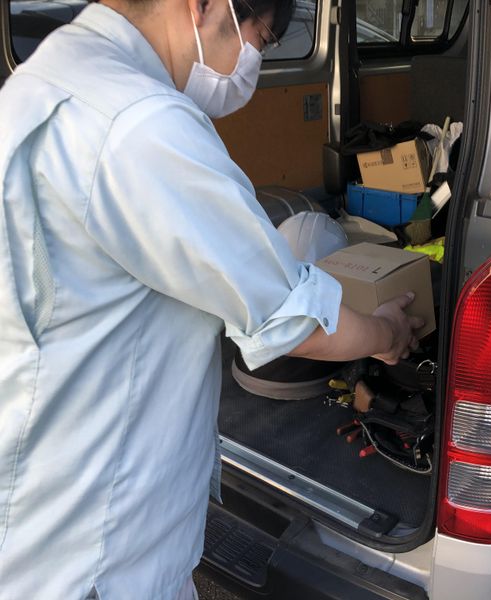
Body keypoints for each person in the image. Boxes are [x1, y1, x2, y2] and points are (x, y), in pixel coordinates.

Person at [0, 0, 423, 598]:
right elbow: (293, 318)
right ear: (204, 6)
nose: (253, 62)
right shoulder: (142, 125)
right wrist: (386, 333)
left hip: (34, 495)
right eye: (261, 38)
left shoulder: (41, 80)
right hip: (99, 551)